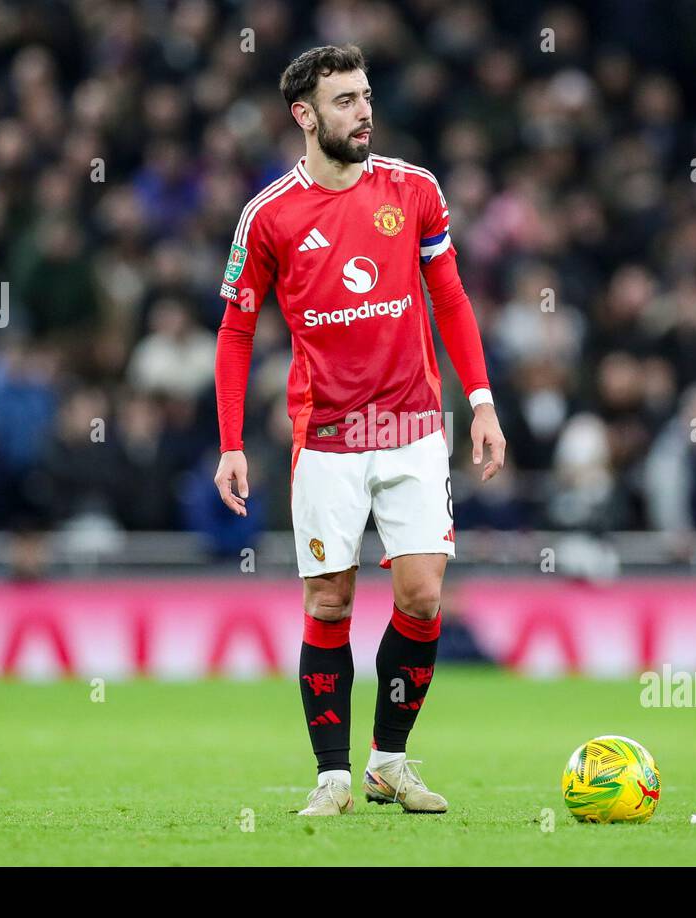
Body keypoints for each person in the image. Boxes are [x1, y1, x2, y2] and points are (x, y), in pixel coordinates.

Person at [212, 45, 505, 816]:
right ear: (304, 116)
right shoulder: (269, 214)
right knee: (331, 603)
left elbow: (451, 299)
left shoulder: (414, 190)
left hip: (411, 426)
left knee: (423, 594)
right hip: (328, 437)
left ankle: (390, 761)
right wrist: (232, 442)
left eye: (366, 95)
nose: (363, 111)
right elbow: (236, 332)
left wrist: (480, 400)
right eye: (344, 100)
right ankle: (333, 776)